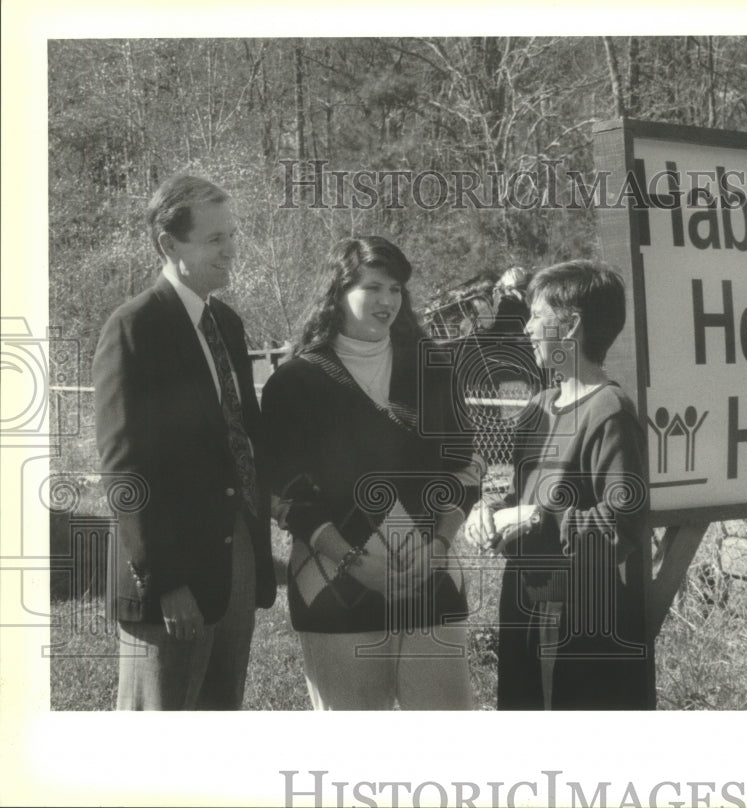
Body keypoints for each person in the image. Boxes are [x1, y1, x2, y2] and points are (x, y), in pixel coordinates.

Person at [260, 236, 479, 710]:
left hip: (431, 582)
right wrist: (354, 562)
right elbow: (283, 492)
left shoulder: (432, 370)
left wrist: (439, 547)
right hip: (333, 589)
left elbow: (466, 467)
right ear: (337, 292)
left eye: (396, 288)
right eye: (372, 287)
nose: (387, 301)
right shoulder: (296, 382)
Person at [93, 174, 277, 710]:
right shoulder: (134, 328)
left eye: (233, 235)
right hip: (170, 573)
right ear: (169, 245)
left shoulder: (227, 324)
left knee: (218, 721)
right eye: (215, 238)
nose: (231, 250)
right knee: (159, 736)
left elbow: (244, 437)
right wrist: (167, 580)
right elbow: (125, 470)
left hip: (236, 553)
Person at [466, 260, 652, 709]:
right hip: (523, 602)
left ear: (571, 328)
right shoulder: (537, 407)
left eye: (537, 316)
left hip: (575, 618)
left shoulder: (609, 412)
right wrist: (488, 510)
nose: (527, 328)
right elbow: (524, 494)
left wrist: (538, 520)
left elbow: (621, 527)